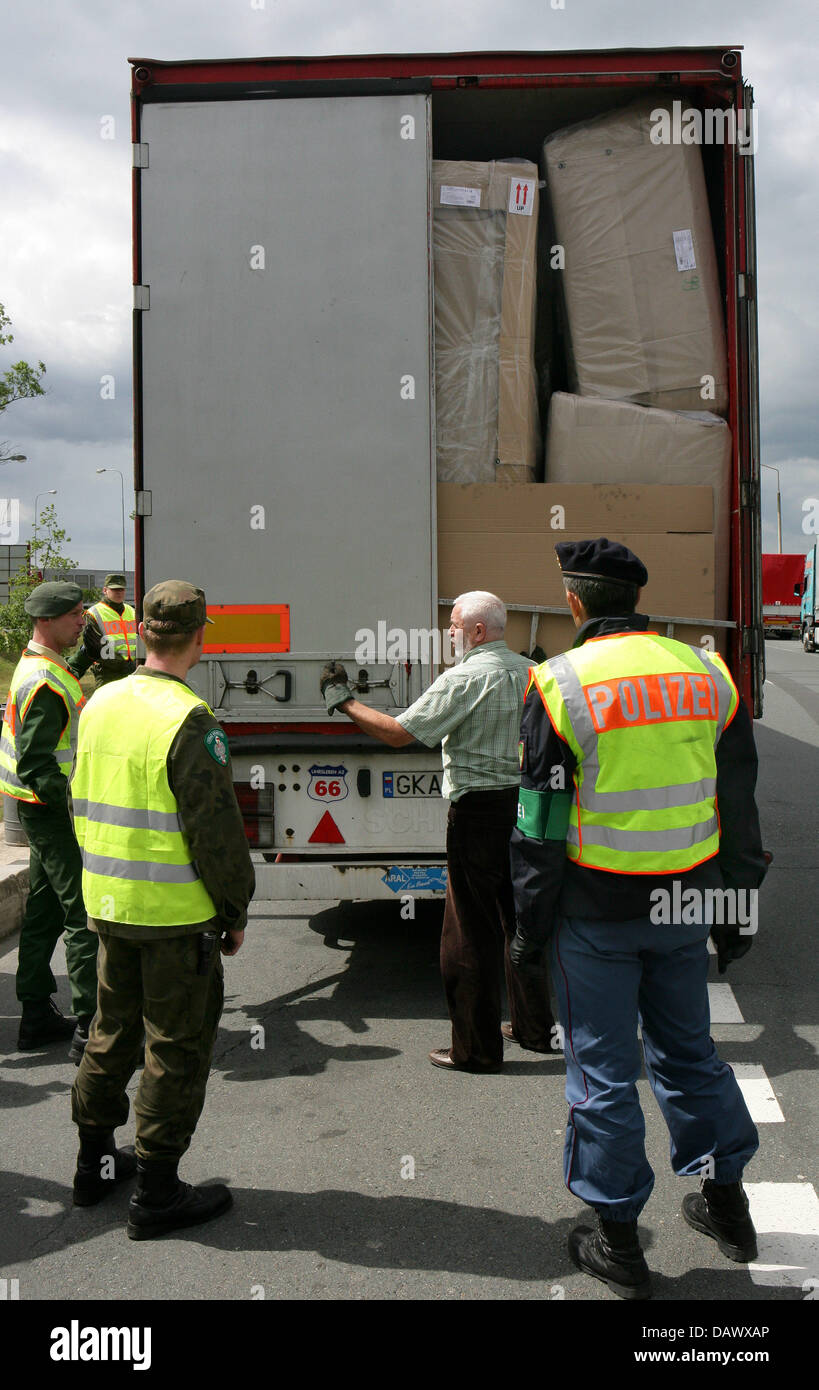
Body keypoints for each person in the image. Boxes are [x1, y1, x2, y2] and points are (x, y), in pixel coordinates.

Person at [509, 539, 768, 1300]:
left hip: (595, 911)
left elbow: (540, 821)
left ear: (576, 603)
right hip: (685, 901)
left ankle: (618, 1243)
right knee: (690, 1058)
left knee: (603, 1074)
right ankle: (728, 1209)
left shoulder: (558, 683)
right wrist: (738, 903)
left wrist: (527, 927)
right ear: (636, 598)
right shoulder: (707, 671)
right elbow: (737, 804)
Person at [69, 581, 255, 1237]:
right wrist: (233, 911)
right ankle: (156, 1192)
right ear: (200, 639)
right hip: (174, 918)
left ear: (142, 632)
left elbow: (81, 796)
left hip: (108, 901)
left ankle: (92, 1166)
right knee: (173, 1050)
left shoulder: (98, 703)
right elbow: (216, 836)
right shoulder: (190, 721)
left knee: (109, 1032)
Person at [320, 590, 554, 1073]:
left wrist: (344, 702)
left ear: (477, 632)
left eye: (453, 625)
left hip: (477, 814)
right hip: (529, 809)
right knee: (521, 921)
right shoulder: (533, 673)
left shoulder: (464, 679)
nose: (447, 632)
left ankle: (476, 1049)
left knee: (467, 932)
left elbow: (399, 732)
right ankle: (535, 1029)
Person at [0, 581, 100, 1055]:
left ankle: (35, 1014)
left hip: (35, 812)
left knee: (42, 913)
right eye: (75, 615)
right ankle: (90, 1027)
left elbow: (62, 686)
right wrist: (74, 811)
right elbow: (37, 762)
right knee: (82, 915)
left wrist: (84, 659)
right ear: (47, 620)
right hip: (53, 813)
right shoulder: (43, 683)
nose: (83, 620)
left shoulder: (39, 664)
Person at [83, 572, 137, 688]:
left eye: (121, 589)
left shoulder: (132, 611)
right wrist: (124, 665)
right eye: (114, 589)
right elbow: (96, 647)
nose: (118, 592)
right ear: (105, 590)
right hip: (108, 674)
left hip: (133, 672)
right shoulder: (94, 613)